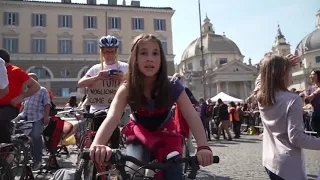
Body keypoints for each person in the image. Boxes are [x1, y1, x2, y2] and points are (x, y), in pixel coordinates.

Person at [89, 34, 213, 180]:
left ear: (161, 59)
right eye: (143, 53)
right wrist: (98, 144)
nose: (149, 58)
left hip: (167, 134)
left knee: (174, 174)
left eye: (155, 53)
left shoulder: (172, 84)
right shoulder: (127, 87)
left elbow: (191, 115)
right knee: (133, 171)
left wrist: (203, 146)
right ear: (134, 58)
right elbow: (112, 117)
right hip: (138, 135)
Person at [257, 55, 320, 180]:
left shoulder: (262, 96)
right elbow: (296, 138)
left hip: (270, 161)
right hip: (288, 165)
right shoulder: (292, 99)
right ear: (285, 72)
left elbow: (260, 81)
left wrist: (271, 66)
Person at [78, 35, 128, 148]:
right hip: (97, 109)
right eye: (106, 52)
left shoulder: (124, 67)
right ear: (102, 52)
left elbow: (137, 82)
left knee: (113, 135)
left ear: (116, 51)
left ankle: (113, 160)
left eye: (112, 52)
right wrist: (97, 77)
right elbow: (81, 83)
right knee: (97, 138)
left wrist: (123, 77)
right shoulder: (96, 68)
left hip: (116, 108)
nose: (109, 55)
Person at [0, 48, 40, 143]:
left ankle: (7, 151)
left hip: (10, 107)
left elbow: (35, 86)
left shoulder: (16, 71)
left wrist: (21, 97)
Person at [19, 73, 51, 170]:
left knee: (36, 136)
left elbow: (47, 104)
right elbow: (24, 104)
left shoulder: (42, 90)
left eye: (30, 79)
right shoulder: (27, 91)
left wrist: (46, 117)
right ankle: (22, 155)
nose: (27, 81)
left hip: (37, 117)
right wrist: (19, 112)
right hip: (25, 115)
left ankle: (38, 160)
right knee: (13, 128)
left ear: (35, 81)